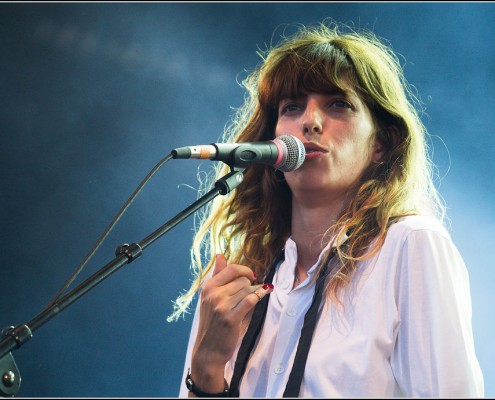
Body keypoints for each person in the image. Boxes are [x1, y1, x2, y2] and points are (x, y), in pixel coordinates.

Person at [169, 20, 484, 397]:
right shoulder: (240, 274)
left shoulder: (411, 246)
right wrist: (206, 368)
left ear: (381, 144)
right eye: (292, 107)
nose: (310, 122)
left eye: (338, 104)